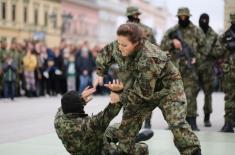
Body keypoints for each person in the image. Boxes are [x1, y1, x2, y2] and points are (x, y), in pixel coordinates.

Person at [95, 23, 201, 155]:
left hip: (168, 89)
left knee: (177, 124)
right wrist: (100, 72)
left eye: (124, 45)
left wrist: (120, 95)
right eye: (119, 43)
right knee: (128, 123)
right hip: (144, 86)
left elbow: (143, 93)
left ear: (137, 43)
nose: (120, 48)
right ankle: (125, 151)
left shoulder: (149, 57)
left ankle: (193, 152)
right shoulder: (120, 44)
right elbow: (105, 54)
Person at [54, 81, 150, 155]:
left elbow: (63, 106)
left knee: (116, 127)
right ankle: (128, 141)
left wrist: (80, 100)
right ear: (79, 107)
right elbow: (108, 114)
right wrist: (118, 93)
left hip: (91, 142)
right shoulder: (88, 125)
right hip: (100, 151)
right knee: (143, 148)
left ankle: (128, 138)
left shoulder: (58, 119)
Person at [160, 7, 207, 131]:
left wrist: (196, 58)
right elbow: (162, 45)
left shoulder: (196, 31)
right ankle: (174, 122)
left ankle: (192, 121)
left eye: (185, 17)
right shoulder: (172, 31)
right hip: (174, 70)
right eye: (181, 17)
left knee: (190, 96)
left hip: (191, 70)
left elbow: (205, 49)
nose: (183, 19)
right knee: (174, 96)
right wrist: (172, 43)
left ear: (189, 17)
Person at [197, 13, 221, 127]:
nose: (204, 21)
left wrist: (210, 53)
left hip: (208, 69)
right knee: (189, 94)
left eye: (206, 20)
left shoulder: (214, 35)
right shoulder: (194, 32)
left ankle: (207, 118)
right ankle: (189, 117)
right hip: (194, 68)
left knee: (208, 94)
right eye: (202, 20)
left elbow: (218, 50)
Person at [218, 12, 235, 132]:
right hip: (229, 71)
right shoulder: (225, 36)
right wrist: (228, 46)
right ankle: (228, 123)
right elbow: (217, 51)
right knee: (229, 98)